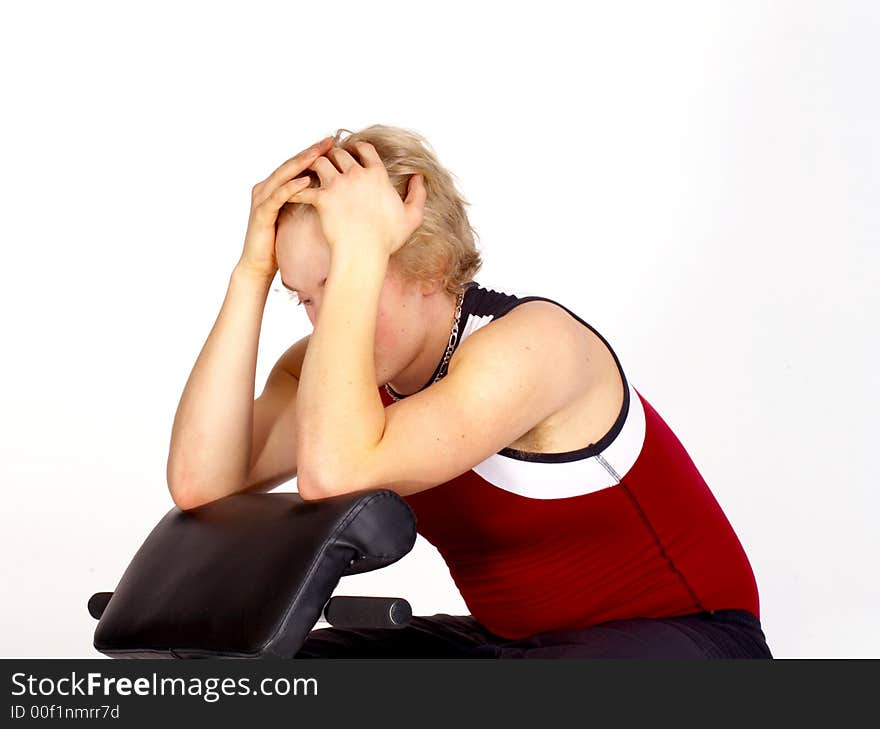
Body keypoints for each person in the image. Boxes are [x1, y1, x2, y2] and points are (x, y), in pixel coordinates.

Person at [167, 124, 773, 659]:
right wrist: (250, 273)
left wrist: (358, 247)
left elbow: (336, 475)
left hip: (690, 640)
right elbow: (202, 484)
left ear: (430, 265)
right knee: (257, 678)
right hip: (515, 644)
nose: (326, 320)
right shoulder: (334, 384)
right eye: (305, 296)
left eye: (350, 276)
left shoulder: (531, 345)